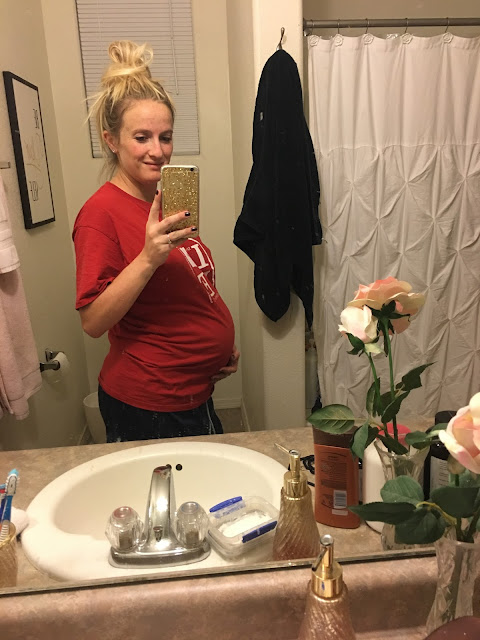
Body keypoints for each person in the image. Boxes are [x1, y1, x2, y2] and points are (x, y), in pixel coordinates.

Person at [73, 41, 239, 442]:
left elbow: (185, 289)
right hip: (149, 404)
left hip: (192, 391)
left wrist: (213, 350)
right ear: (111, 140)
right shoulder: (100, 214)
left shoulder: (162, 201)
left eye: (165, 137)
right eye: (142, 137)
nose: (158, 151)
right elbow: (93, 322)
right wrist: (148, 258)